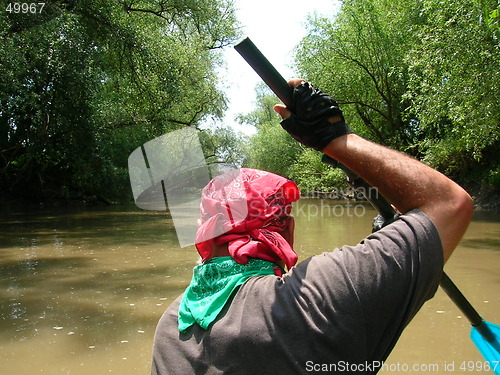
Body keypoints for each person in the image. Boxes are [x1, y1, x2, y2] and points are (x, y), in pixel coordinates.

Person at [151, 80, 473, 374]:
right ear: (284, 229)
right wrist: (336, 140)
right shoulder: (317, 298)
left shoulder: (171, 326)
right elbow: (448, 204)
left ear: (205, 230)